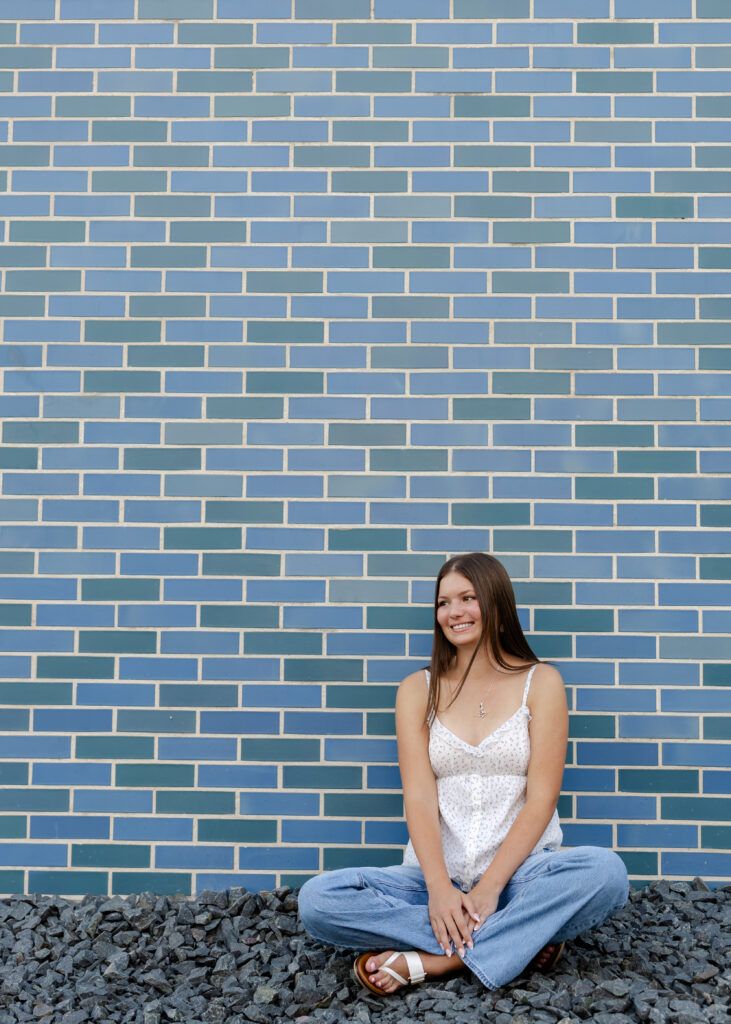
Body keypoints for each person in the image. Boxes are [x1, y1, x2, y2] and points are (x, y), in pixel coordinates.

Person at [298, 552, 629, 995]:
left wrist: (491, 889)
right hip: (431, 881)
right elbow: (418, 796)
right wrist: (438, 889)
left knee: (605, 873)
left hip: (520, 879)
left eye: (467, 598)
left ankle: (437, 962)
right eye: (443, 603)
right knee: (318, 900)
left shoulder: (542, 682)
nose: (453, 612)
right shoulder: (417, 690)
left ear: (496, 603)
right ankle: (523, 939)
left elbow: (542, 798)